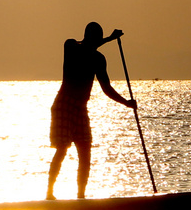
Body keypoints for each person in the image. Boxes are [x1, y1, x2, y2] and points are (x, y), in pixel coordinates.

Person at [47, 21, 136, 199]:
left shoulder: (99, 59)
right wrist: (110, 38)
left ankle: (81, 195)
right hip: (64, 104)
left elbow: (106, 88)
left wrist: (126, 103)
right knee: (63, 148)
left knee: (85, 149)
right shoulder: (71, 46)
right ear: (87, 37)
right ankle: (49, 193)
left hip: (80, 107)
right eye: (93, 38)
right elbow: (85, 49)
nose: (95, 41)